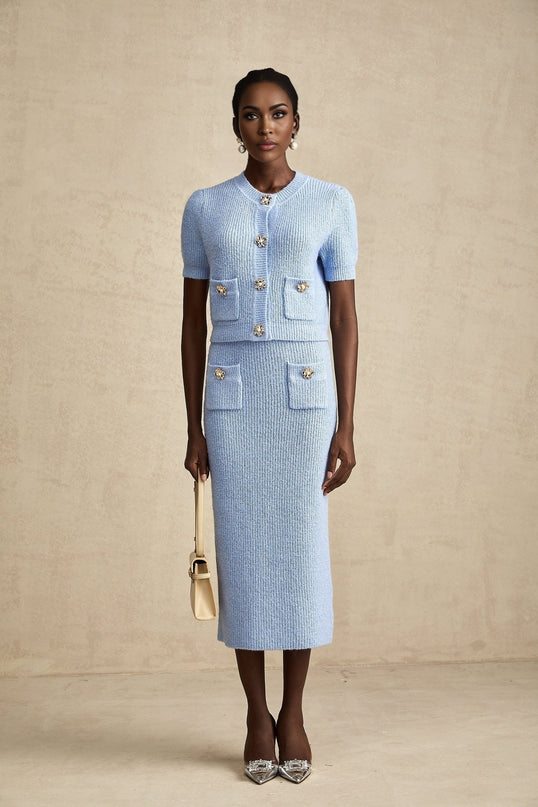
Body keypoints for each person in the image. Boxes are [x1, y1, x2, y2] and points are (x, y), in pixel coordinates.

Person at [181, 68, 358, 784]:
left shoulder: (331, 202)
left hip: (304, 402)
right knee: (247, 563)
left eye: (277, 114)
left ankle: (296, 712)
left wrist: (347, 423)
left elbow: (344, 316)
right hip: (232, 403)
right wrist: (193, 424)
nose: (264, 127)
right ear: (235, 126)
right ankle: (256, 713)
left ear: (296, 123)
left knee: (301, 561)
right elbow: (191, 323)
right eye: (250, 116)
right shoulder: (204, 207)